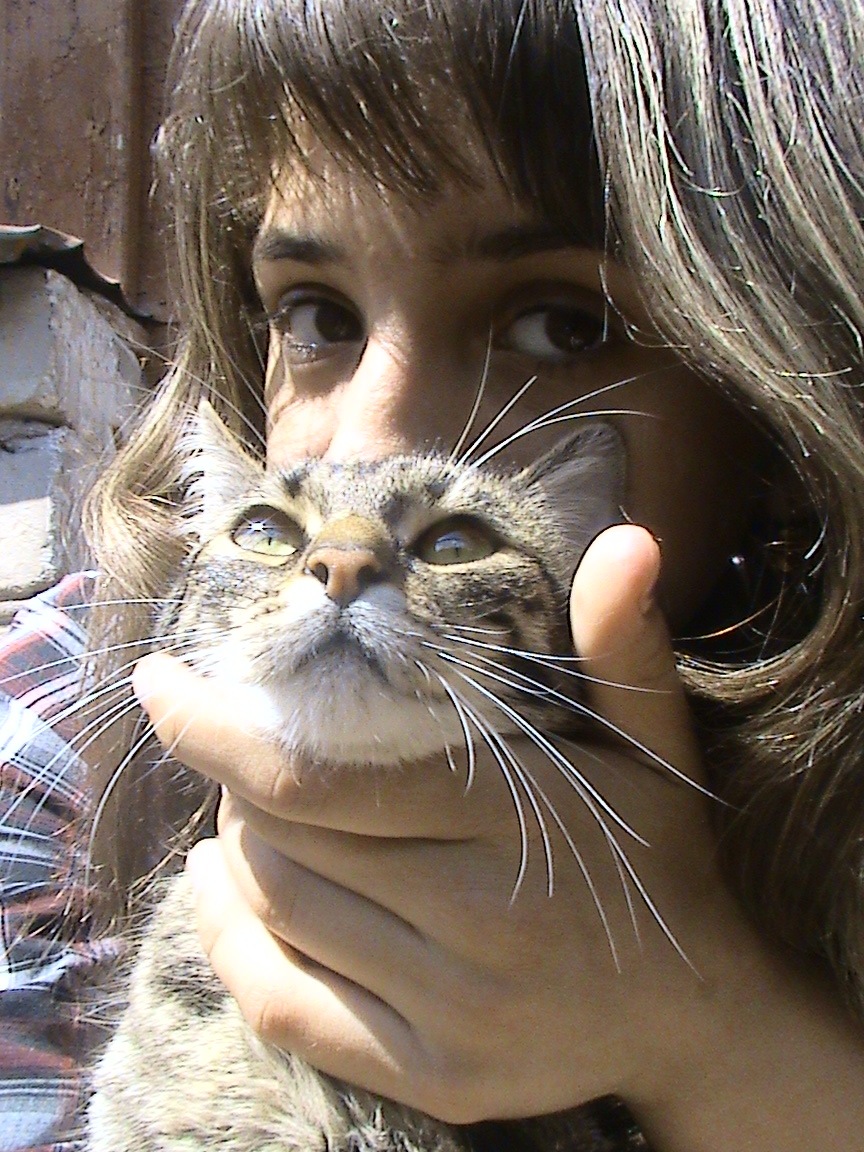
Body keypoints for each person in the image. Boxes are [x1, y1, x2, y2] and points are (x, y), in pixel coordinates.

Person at [3, 0, 864, 1149]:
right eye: (315, 314)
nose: (372, 444)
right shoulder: (49, 733)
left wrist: (718, 1040)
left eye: (560, 325)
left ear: (788, 394)